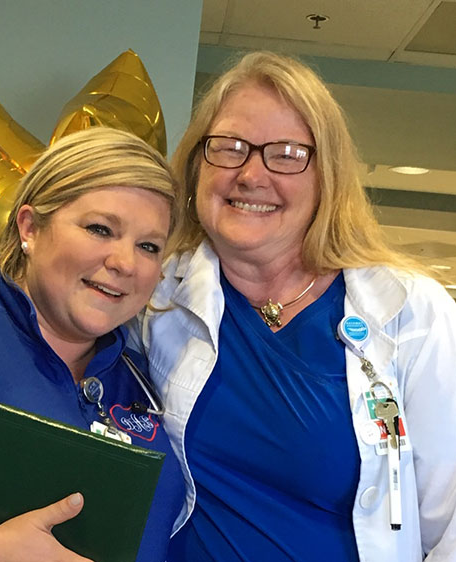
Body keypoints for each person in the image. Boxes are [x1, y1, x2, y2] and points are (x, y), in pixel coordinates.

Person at [128, 52, 456, 561]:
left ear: (327, 178)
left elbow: (448, 524)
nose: (251, 174)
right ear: (196, 166)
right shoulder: (153, 298)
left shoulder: (411, 314)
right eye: (230, 148)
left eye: (285, 153)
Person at [0, 127, 185, 562]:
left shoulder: (147, 381)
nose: (125, 263)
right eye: (100, 228)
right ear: (29, 227)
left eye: (148, 246)